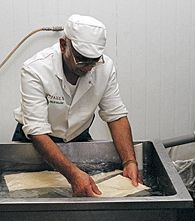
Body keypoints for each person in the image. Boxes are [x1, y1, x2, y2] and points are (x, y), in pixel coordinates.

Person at [13, 14, 140, 197]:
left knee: (85, 199)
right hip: (35, 141)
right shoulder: (36, 69)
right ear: (63, 45)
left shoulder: (105, 68)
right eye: (81, 59)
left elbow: (116, 116)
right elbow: (37, 131)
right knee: (30, 197)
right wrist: (73, 174)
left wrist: (129, 162)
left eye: (94, 60)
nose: (88, 67)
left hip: (77, 138)